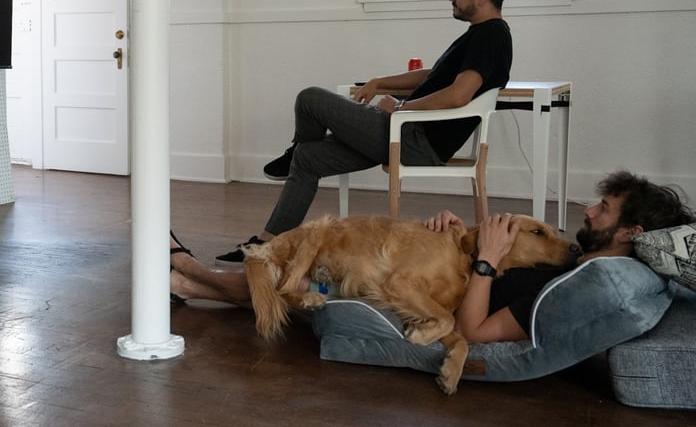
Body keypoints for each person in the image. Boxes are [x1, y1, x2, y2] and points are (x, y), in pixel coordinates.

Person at [216, 0, 513, 263]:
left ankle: (295, 148)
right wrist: (378, 82)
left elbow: (458, 95)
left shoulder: (490, 36)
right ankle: (267, 246)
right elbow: (433, 76)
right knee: (309, 158)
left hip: (413, 138)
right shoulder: (480, 35)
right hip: (408, 133)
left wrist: (401, 109)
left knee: (310, 99)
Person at [171, 171, 695, 344]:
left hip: (429, 302)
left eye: (602, 210)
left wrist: (485, 261)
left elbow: (473, 329)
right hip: (445, 272)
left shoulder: (577, 286)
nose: (589, 210)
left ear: (631, 231)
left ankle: (189, 271)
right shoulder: (583, 264)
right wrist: (453, 237)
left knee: (315, 274)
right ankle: (191, 284)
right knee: (317, 267)